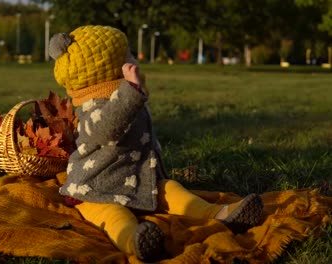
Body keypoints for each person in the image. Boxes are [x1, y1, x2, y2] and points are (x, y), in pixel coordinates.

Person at [48, 25, 263, 262]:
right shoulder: (92, 110)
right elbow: (107, 129)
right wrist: (130, 92)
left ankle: (219, 214)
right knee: (114, 216)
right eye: (128, 56)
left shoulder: (124, 99)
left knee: (171, 190)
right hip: (94, 189)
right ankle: (134, 240)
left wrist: (130, 94)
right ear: (106, 71)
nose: (134, 59)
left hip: (137, 181)